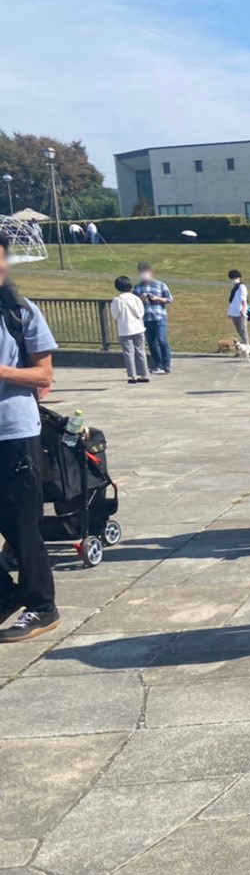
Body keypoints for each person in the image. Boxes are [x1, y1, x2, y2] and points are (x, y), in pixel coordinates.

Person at [0, 241, 60, 642]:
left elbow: (43, 375)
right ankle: (6, 594)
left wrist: (2, 371)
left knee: (22, 527)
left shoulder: (20, 312)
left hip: (14, 433)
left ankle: (42, 606)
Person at [135, 261, 173, 375]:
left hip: (159, 316)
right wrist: (141, 299)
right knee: (151, 343)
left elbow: (169, 299)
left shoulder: (160, 285)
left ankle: (166, 364)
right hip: (146, 318)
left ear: (151, 272)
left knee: (162, 340)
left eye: (145, 272)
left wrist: (158, 299)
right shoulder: (137, 287)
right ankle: (158, 364)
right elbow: (134, 302)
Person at [109, 276, 149, 384]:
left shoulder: (117, 300)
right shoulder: (136, 298)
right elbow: (141, 313)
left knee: (129, 353)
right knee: (141, 351)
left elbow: (115, 314)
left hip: (125, 329)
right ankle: (144, 374)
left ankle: (132, 376)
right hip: (138, 328)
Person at [227, 269, 250, 349]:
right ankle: (243, 346)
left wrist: (243, 310)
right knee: (239, 330)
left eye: (234, 278)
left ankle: (247, 346)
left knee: (243, 330)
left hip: (240, 312)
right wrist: (230, 312)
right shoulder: (235, 287)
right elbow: (233, 301)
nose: (233, 280)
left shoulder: (242, 287)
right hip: (234, 312)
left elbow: (244, 300)